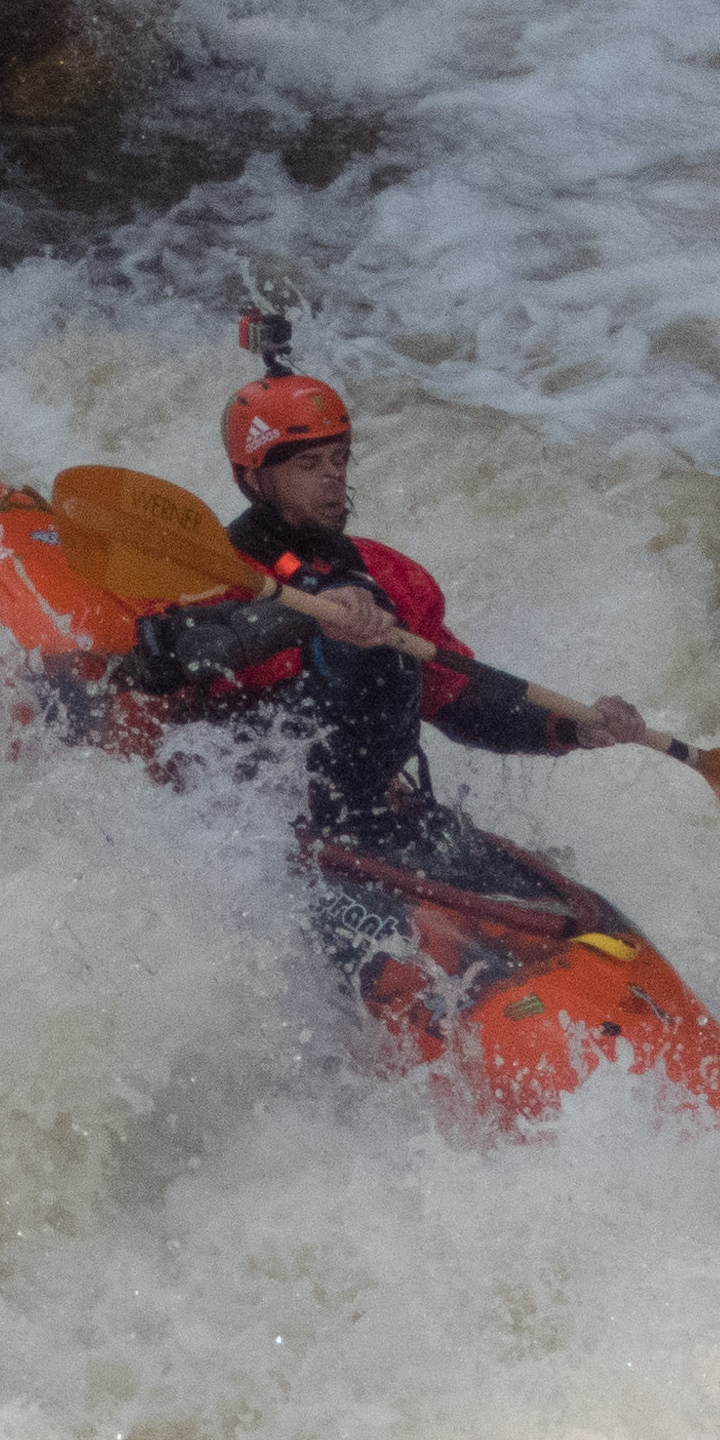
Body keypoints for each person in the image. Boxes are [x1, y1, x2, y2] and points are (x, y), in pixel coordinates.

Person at [114, 321, 659, 1005]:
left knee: (593, 920)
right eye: (308, 465)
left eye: (338, 459)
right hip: (259, 829)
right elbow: (161, 659)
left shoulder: (390, 578)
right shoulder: (209, 570)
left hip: (378, 823)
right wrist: (302, 615)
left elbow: (460, 702)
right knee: (346, 647)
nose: (332, 479)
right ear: (254, 478)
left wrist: (572, 728)